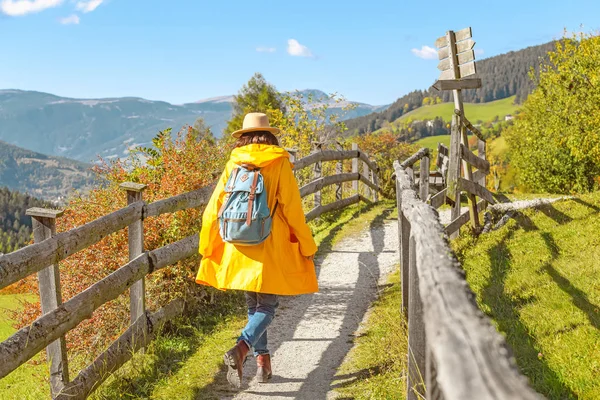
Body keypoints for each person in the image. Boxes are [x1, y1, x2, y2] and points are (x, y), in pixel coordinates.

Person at [196, 112, 319, 388]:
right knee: (267, 306)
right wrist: (307, 245)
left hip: (238, 245)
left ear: (243, 137)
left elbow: (212, 210)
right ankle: (241, 349)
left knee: (254, 306)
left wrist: (207, 247)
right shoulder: (278, 162)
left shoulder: (234, 164)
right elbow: (293, 210)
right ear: (270, 135)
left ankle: (263, 366)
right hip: (268, 246)